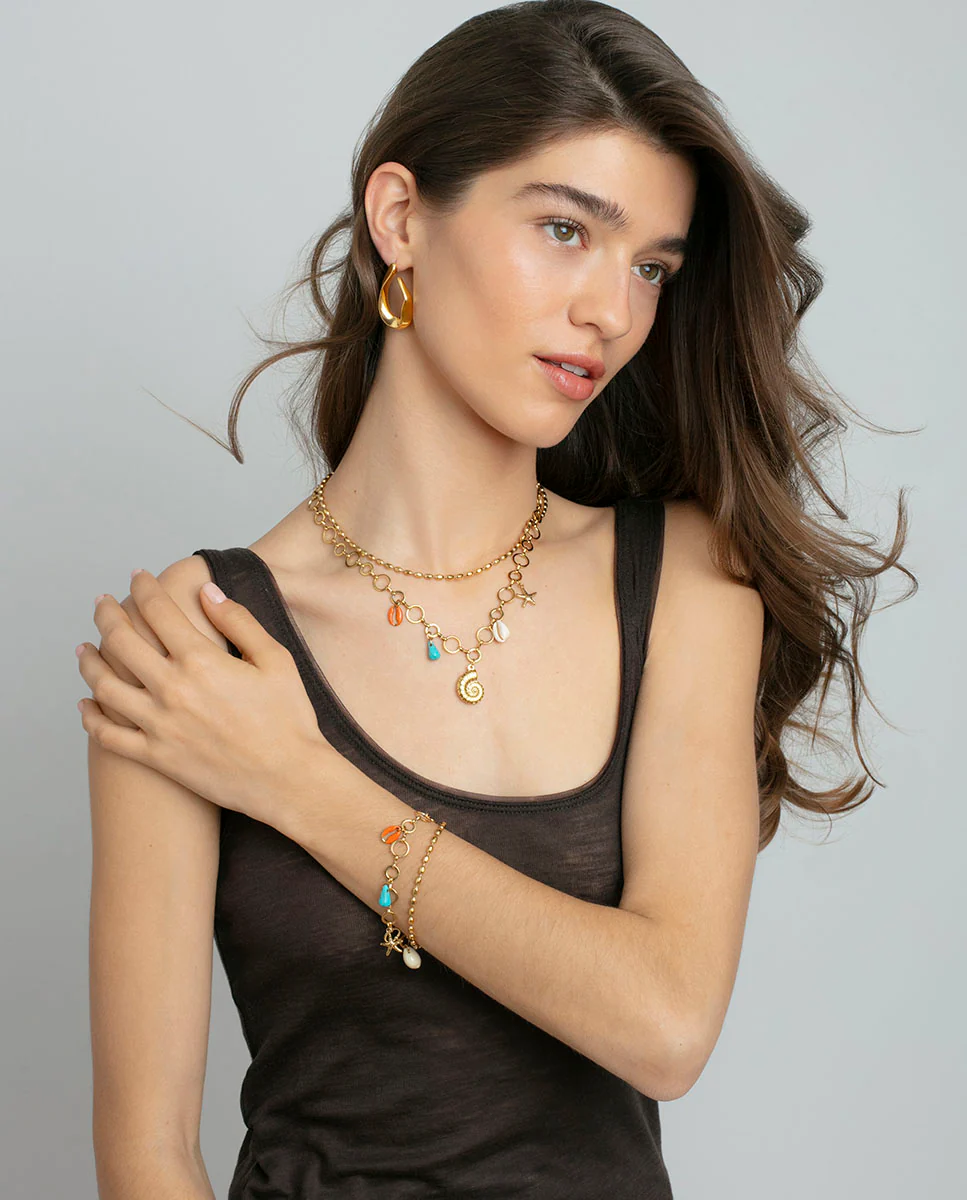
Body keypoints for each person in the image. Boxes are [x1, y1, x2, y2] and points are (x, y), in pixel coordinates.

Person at [78, 2, 915, 1197]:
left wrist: (302, 784)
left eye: (650, 268)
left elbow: (663, 1023)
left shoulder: (686, 578)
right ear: (400, 219)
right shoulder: (200, 648)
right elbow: (148, 1159)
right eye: (565, 229)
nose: (611, 312)